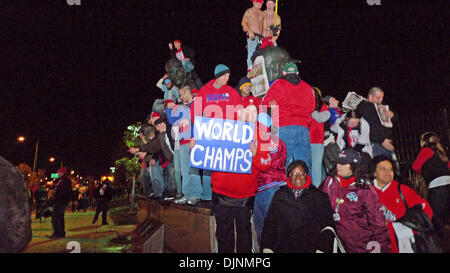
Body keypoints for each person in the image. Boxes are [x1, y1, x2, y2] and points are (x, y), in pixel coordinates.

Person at [211, 102, 270, 253]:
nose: (249, 116)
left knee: (244, 235)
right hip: (221, 193)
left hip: (245, 196)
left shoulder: (261, 134)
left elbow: (265, 164)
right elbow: (207, 153)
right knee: (224, 235)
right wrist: (196, 146)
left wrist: (256, 154)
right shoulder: (224, 130)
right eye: (246, 112)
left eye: (253, 113)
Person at [318, 148, 391, 252]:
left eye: (343, 164)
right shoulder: (330, 182)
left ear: (353, 166)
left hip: (359, 245)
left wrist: (384, 248)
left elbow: (377, 222)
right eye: (338, 162)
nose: (339, 166)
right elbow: (316, 203)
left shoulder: (365, 189)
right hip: (336, 243)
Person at [191, 64, 242, 203]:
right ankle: (208, 196)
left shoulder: (232, 92)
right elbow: (195, 112)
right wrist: (197, 133)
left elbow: (240, 112)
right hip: (209, 134)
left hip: (226, 135)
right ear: (218, 76)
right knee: (209, 165)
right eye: (225, 75)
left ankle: (225, 194)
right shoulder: (204, 91)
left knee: (225, 164)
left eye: (229, 75)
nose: (228, 78)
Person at [261, 160, 335, 253]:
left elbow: (328, 226)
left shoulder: (319, 197)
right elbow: (270, 223)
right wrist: (267, 247)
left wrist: (322, 248)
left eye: (301, 173)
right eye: (293, 174)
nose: (297, 177)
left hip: (310, 248)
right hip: (283, 248)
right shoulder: (280, 195)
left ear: (307, 175)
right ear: (289, 176)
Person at [370, 155, 433, 252]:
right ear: (374, 173)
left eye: (390, 169)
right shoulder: (367, 193)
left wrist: (411, 227)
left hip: (405, 244)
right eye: (383, 169)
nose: (388, 172)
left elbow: (426, 211)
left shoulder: (402, 190)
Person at [261, 61, 315, 170]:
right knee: (304, 164)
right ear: (297, 72)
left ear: (284, 72)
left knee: (281, 163)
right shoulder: (307, 87)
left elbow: (264, 104)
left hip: (284, 127)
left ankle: (282, 186)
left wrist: (273, 106)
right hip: (303, 129)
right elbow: (312, 108)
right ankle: (304, 186)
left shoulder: (278, 84)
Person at [253, 112, 287, 246]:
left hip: (267, 186)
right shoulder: (278, 139)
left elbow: (265, 162)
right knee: (274, 223)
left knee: (266, 225)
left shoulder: (264, 139)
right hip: (276, 184)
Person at [412, 131, 450, 240]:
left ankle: (441, 241)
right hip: (447, 184)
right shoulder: (441, 152)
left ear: (424, 141)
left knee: (433, 216)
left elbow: (416, 166)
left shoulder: (426, 150)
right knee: (443, 216)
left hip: (437, 185)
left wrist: (425, 171)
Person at [356, 87, 398, 164]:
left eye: (382, 97)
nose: (380, 100)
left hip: (388, 142)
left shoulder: (383, 105)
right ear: (370, 96)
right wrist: (381, 140)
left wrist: (392, 115)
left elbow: (396, 120)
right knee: (380, 166)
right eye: (378, 98)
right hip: (377, 143)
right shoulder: (364, 106)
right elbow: (371, 125)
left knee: (393, 166)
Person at [309, 87, 330, 187]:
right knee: (306, 167)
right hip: (304, 141)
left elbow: (322, 118)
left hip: (317, 142)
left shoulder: (322, 106)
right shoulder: (303, 105)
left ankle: (316, 190)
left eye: (312, 93)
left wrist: (312, 111)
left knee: (316, 169)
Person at [49, 167, 72, 239]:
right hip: (60, 201)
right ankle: (60, 233)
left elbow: (65, 192)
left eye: (58, 173)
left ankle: (58, 233)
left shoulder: (65, 181)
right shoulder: (61, 180)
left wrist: (56, 196)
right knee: (59, 217)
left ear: (62, 173)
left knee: (56, 217)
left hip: (61, 201)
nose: (57, 174)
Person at [242, 0, 264, 70]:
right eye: (257, 3)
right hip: (252, 36)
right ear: (253, 2)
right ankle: (250, 69)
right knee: (251, 53)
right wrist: (249, 31)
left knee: (261, 55)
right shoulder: (249, 11)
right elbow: (243, 23)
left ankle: (260, 70)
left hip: (261, 38)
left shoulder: (262, 13)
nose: (258, 5)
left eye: (260, 3)